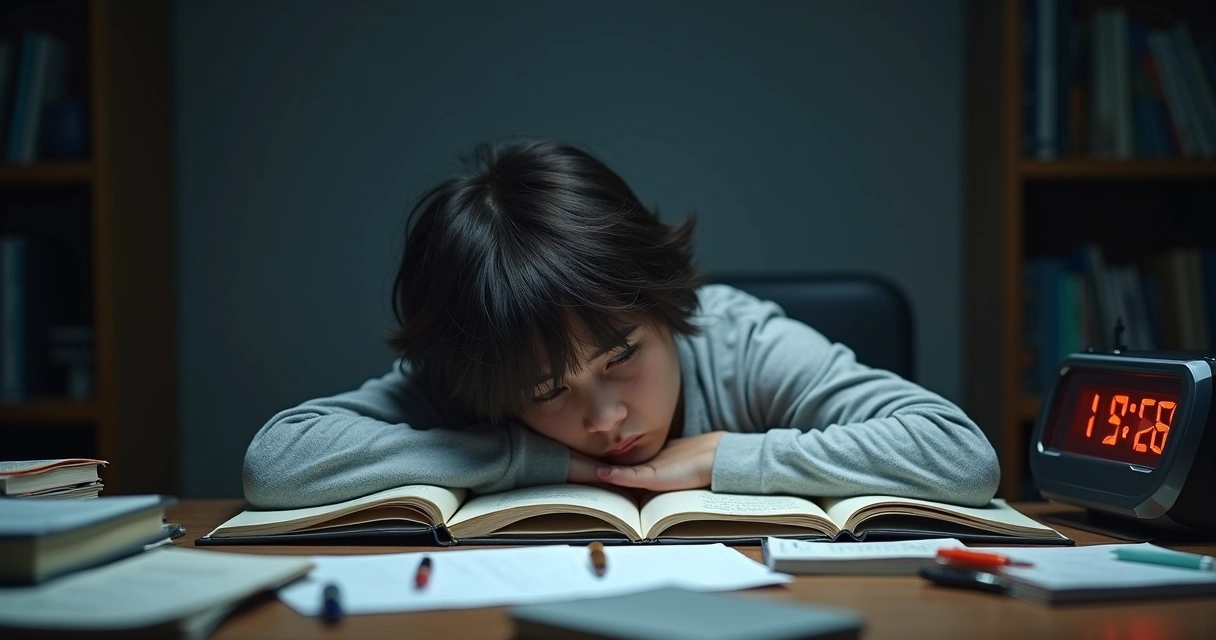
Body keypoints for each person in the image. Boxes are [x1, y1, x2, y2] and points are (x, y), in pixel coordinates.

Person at [242, 138, 1000, 510]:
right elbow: (278, 464)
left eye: (622, 356)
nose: (606, 421)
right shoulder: (479, 367)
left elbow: (959, 454)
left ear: (666, 301)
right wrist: (535, 462)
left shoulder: (739, 341)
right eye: (547, 392)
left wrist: (723, 458)